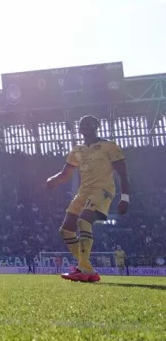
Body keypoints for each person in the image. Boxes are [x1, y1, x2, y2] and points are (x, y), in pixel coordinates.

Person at [46, 115, 130, 283]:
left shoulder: (109, 146)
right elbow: (65, 174)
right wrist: (53, 180)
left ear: (96, 126)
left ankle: (82, 269)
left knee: (83, 222)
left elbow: (123, 174)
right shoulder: (77, 150)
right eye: (81, 123)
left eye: (88, 122)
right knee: (66, 230)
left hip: (102, 190)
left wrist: (125, 198)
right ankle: (87, 268)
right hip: (83, 192)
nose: (84, 125)